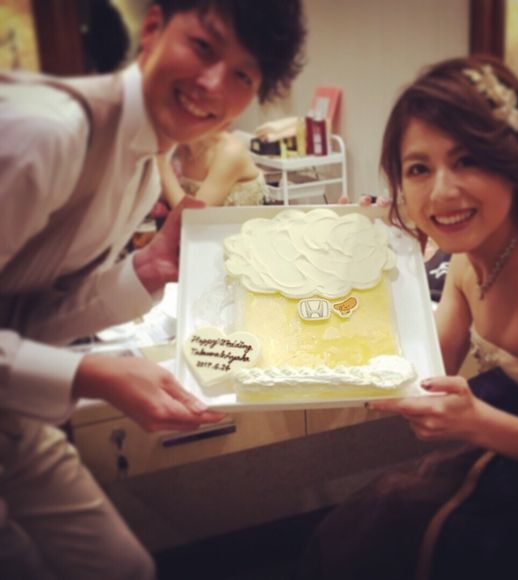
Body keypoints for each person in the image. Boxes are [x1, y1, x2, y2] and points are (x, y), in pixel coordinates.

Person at [0, 0, 305, 578]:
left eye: (243, 76)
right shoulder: (50, 133)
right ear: (152, 29)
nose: (213, 84)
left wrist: (150, 267)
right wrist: (88, 375)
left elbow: (30, 321)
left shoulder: (143, 168)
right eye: (203, 47)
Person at [297, 56, 518, 580]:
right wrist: (366, 273)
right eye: (419, 169)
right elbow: (426, 371)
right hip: (505, 457)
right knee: (357, 531)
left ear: (514, 160)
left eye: (467, 160)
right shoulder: (469, 261)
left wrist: (479, 423)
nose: (442, 192)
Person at [157, 130, 270, 207]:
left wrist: (161, 160)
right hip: (195, 231)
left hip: (235, 231)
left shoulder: (229, 152)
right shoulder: (181, 146)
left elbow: (195, 217)